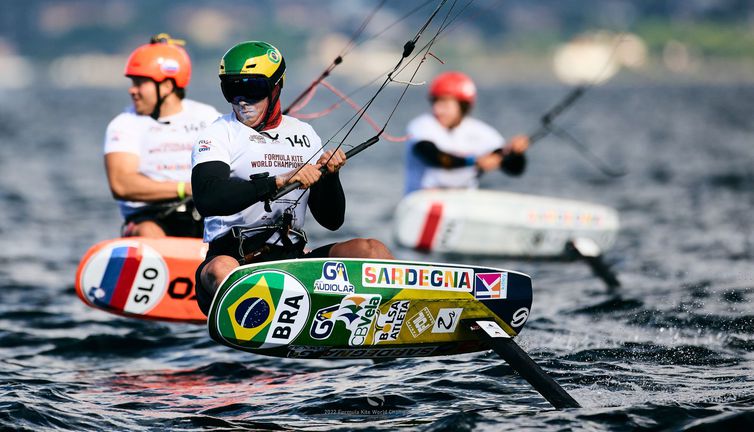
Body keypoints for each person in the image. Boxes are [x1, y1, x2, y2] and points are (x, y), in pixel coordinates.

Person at [191, 41, 394, 315]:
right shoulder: (216, 134)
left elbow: (332, 221)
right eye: (232, 88)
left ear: (276, 87)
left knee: (372, 250)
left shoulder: (305, 134)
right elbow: (208, 198)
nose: (242, 100)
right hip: (234, 258)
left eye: (252, 89)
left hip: (293, 258)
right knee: (220, 269)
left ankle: (399, 313)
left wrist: (330, 177)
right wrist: (277, 181)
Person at [104, 33, 221, 238]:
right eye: (133, 82)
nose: (132, 90)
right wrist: (186, 189)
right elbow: (122, 184)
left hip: (204, 214)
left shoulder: (208, 117)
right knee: (150, 231)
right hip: (150, 217)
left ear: (167, 86)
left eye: (140, 82)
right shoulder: (123, 124)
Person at [404, 71, 530, 195]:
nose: (438, 109)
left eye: (445, 103)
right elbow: (432, 156)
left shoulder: (482, 132)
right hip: (422, 199)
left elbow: (514, 169)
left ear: (463, 106)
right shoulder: (422, 125)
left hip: (463, 202)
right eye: (435, 102)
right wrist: (475, 162)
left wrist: (516, 153)